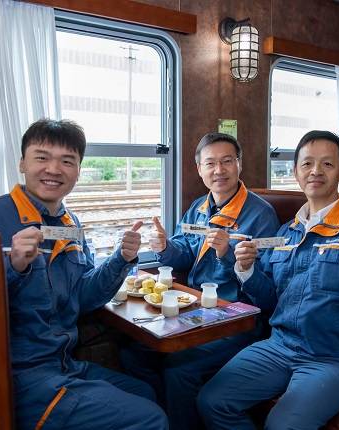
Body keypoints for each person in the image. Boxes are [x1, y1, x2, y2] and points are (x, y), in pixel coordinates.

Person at [0, 119, 167, 430]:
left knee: (145, 392)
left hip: (64, 363)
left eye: (67, 161)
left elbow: (84, 297)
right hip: (21, 377)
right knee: (151, 419)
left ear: (78, 171)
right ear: (22, 163)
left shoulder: (70, 223)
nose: (53, 169)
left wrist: (122, 259)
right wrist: (14, 266)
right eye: (42, 157)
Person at [197, 130, 339, 430]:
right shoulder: (285, 233)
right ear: (295, 172)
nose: (316, 171)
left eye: (327, 164)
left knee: (281, 425)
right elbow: (270, 300)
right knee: (212, 401)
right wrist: (247, 269)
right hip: (280, 346)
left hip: (338, 357)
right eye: (307, 163)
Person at [120, 132, 280, 430]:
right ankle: (165, 417)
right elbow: (183, 253)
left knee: (178, 369)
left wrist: (227, 254)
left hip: (237, 318)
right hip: (196, 310)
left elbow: (267, 286)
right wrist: (164, 247)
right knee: (134, 354)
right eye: (210, 163)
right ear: (199, 169)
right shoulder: (198, 208)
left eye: (227, 161)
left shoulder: (261, 214)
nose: (219, 170)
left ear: (240, 164)